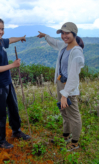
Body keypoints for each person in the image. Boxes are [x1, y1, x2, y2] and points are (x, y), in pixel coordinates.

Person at [0, 18, 31, 149]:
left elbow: (10, 39)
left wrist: (20, 38)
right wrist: (12, 65)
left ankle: (16, 131)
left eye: (2, 29)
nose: (1, 32)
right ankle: (0, 141)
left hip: (7, 82)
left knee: (13, 108)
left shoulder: (0, 42)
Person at [37, 22, 84, 151]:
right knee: (63, 110)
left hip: (68, 87)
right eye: (62, 33)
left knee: (73, 114)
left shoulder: (77, 53)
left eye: (67, 33)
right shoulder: (65, 46)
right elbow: (54, 43)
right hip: (60, 83)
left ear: (74, 34)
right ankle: (66, 136)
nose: (64, 36)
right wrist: (45, 36)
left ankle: (74, 143)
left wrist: (65, 93)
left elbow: (74, 77)